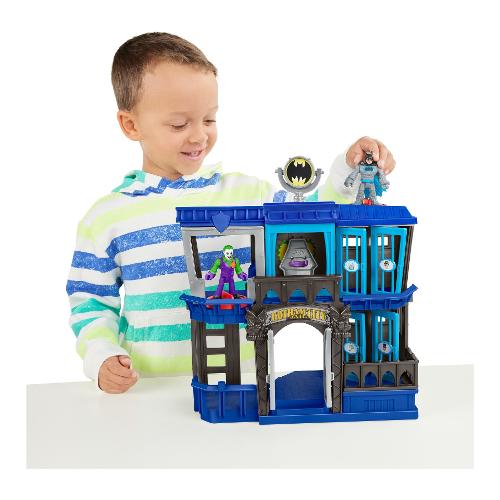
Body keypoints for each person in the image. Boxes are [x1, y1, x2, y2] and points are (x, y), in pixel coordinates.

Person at [66, 32, 396, 394]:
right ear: (131, 125)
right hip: (150, 393)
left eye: (209, 120)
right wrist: (101, 355)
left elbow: (312, 216)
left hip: (244, 387)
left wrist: (347, 169)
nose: (199, 136)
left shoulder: (247, 195)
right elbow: (90, 301)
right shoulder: (107, 217)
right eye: (179, 124)